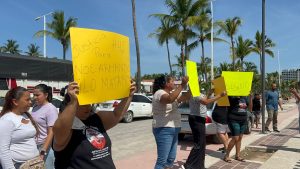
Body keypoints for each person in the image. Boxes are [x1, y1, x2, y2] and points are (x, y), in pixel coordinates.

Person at [52, 81, 136, 169]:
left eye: (89, 102)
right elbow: (60, 128)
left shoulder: (96, 118)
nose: (88, 107)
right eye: (83, 104)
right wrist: (73, 101)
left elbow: (116, 115)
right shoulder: (66, 128)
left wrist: (129, 95)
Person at [182, 90, 227, 169]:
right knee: (199, 143)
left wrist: (209, 93)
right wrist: (220, 95)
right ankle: (188, 165)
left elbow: (205, 99)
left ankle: (199, 165)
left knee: (202, 143)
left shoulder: (199, 93)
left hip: (200, 119)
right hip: (197, 119)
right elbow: (205, 102)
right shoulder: (195, 93)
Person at [152, 75, 189, 169]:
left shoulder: (173, 93)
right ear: (166, 83)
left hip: (174, 129)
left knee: (171, 159)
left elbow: (185, 97)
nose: (174, 83)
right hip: (163, 129)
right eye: (172, 81)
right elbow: (169, 99)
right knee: (162, 161)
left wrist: (193, 86)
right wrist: (182, 84)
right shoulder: (159, 93)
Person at [0, 87, 40, 169]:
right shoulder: (7, 120)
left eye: (30, 99)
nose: (30, 102)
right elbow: (2, 150)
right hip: (18, 165)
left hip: (34, 164)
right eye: (27, 100)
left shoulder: (25, 115)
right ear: (15, 102)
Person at [31, 84, 58, 168]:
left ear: (46, 95)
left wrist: (43, 151)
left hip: (45, 147)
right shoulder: (35, 107)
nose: (34, 97)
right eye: (34, 95)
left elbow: (51, 132)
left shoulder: (50, 109)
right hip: (34, 146)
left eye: (37, 95)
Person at [223, 96, 252, 163]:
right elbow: (225, 105)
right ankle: (226, 156)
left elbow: (250, 109)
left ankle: (237, 155)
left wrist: (250, 98)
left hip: (243, 120)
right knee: (235, 138)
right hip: (233, 120)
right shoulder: (231, 97)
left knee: (240, 138)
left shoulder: (244, 98)